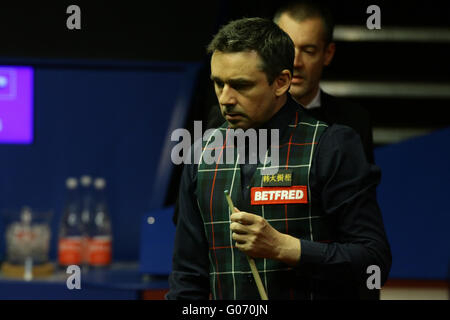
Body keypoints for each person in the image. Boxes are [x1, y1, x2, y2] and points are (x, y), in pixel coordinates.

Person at [167, 17, 391, 300]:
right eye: (219, 83)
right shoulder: (201, 153)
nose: (225, 98)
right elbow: (187, 280)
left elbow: (374, 263)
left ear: (281, 82)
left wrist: (284, 248)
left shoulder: (331, 146)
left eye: (241, 85)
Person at [207, 1, 375, 163]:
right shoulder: (223, 118)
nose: (295, 61)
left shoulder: (354, 121)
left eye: (308, 51)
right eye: (286, 48)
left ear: (328, 54)